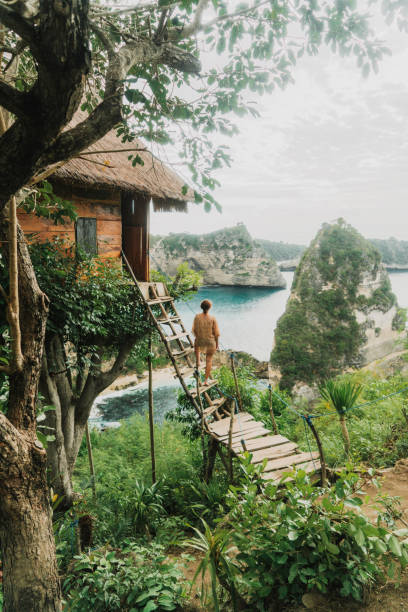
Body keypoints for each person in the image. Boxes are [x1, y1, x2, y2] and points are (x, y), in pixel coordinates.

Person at [192, 299, 220, 385]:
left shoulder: (197, 316)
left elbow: (194, 330)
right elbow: (217, 334)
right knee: (209, 360)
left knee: (196, 345)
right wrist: (217, 344)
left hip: (200, 341)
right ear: (210, 307)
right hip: (211, 342)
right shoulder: (212, 318)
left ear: (201, 307)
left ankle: (198, 361)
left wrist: (199, 337)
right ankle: (205, 381)